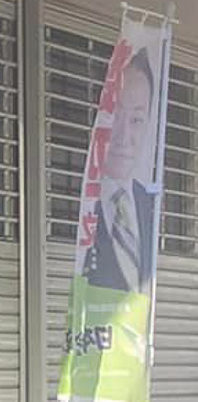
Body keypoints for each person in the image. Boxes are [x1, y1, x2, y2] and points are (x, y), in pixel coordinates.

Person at [83, 48, 160, 296]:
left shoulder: (150, 203)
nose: (123, 137)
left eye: (136, 120)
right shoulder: (82, 200)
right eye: (115, 117)